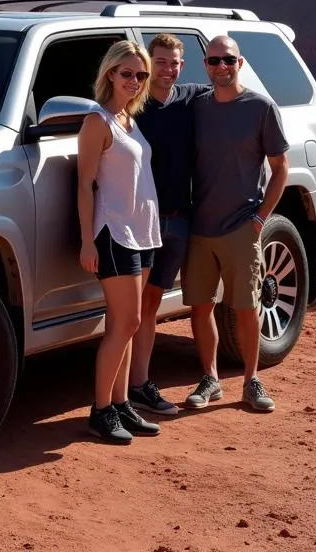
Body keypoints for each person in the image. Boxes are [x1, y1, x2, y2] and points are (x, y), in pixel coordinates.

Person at [183, 35, 289, 413]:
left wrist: (260, 218)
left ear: (240, 63)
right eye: (213, 61)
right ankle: (210, 379)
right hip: (200, 227)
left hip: (242, 227)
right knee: (200, 307)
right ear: (206, 66)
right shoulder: (197, 106)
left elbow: (280, 170)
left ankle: (251, 380)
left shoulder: (260, 108)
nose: (221, 67)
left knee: (246, 307)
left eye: (228, 60)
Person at [78, 39, 163, 444]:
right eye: (127, 73)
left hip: (142, 231)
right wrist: (86, 241)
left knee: (125, 324)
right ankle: (100, 411)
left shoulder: (129, 119)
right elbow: (84, 185)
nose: (134, 81)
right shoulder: (98, 122)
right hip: (113, 233)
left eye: (141, 75)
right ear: (109, 73)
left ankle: (120, 403)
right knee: (126, 322)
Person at [127, 33, 208, 417]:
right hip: (140, 221)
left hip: (178, 221)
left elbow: (234, 95)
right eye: (161, 62)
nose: (168, 70)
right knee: (134, 306)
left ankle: (138, 383)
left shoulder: (192, 98)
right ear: (148, 62)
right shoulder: (131, 106)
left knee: (152, 302)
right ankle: (132, 384)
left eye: (175, 63)